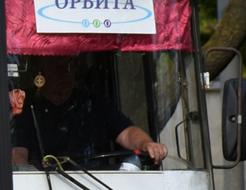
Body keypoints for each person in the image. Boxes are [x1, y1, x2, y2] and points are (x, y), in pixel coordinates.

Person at [10, 56, 167, 167]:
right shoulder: (25, 104)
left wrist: (146, 144)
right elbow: (18, 154)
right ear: (39, 72)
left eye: (69, 65)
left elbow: (127, 133)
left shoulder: (94, 103)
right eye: (55, 65)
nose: (64, 72)